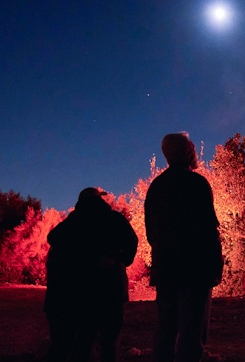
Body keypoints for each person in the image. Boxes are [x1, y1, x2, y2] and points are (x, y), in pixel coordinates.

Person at [145, 132, 224, 362]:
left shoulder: (156, 187)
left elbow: (151, 234)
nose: (195, 151)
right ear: (187, 151)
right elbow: (208, 229)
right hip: (193, 271)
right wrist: (214, 264)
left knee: (165, 332)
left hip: (165, 271)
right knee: (191, 334)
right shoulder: (196, 183)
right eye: (192, 146)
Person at [44, 187, 138, 362]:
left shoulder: (72, 223)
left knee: (86, 336)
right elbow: (132, 242)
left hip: (84, 289)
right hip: (112, 288)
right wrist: (120, 258)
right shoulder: (114, 219)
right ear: (100, 200)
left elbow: (54, 238)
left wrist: (83, 261)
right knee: (110, 338)